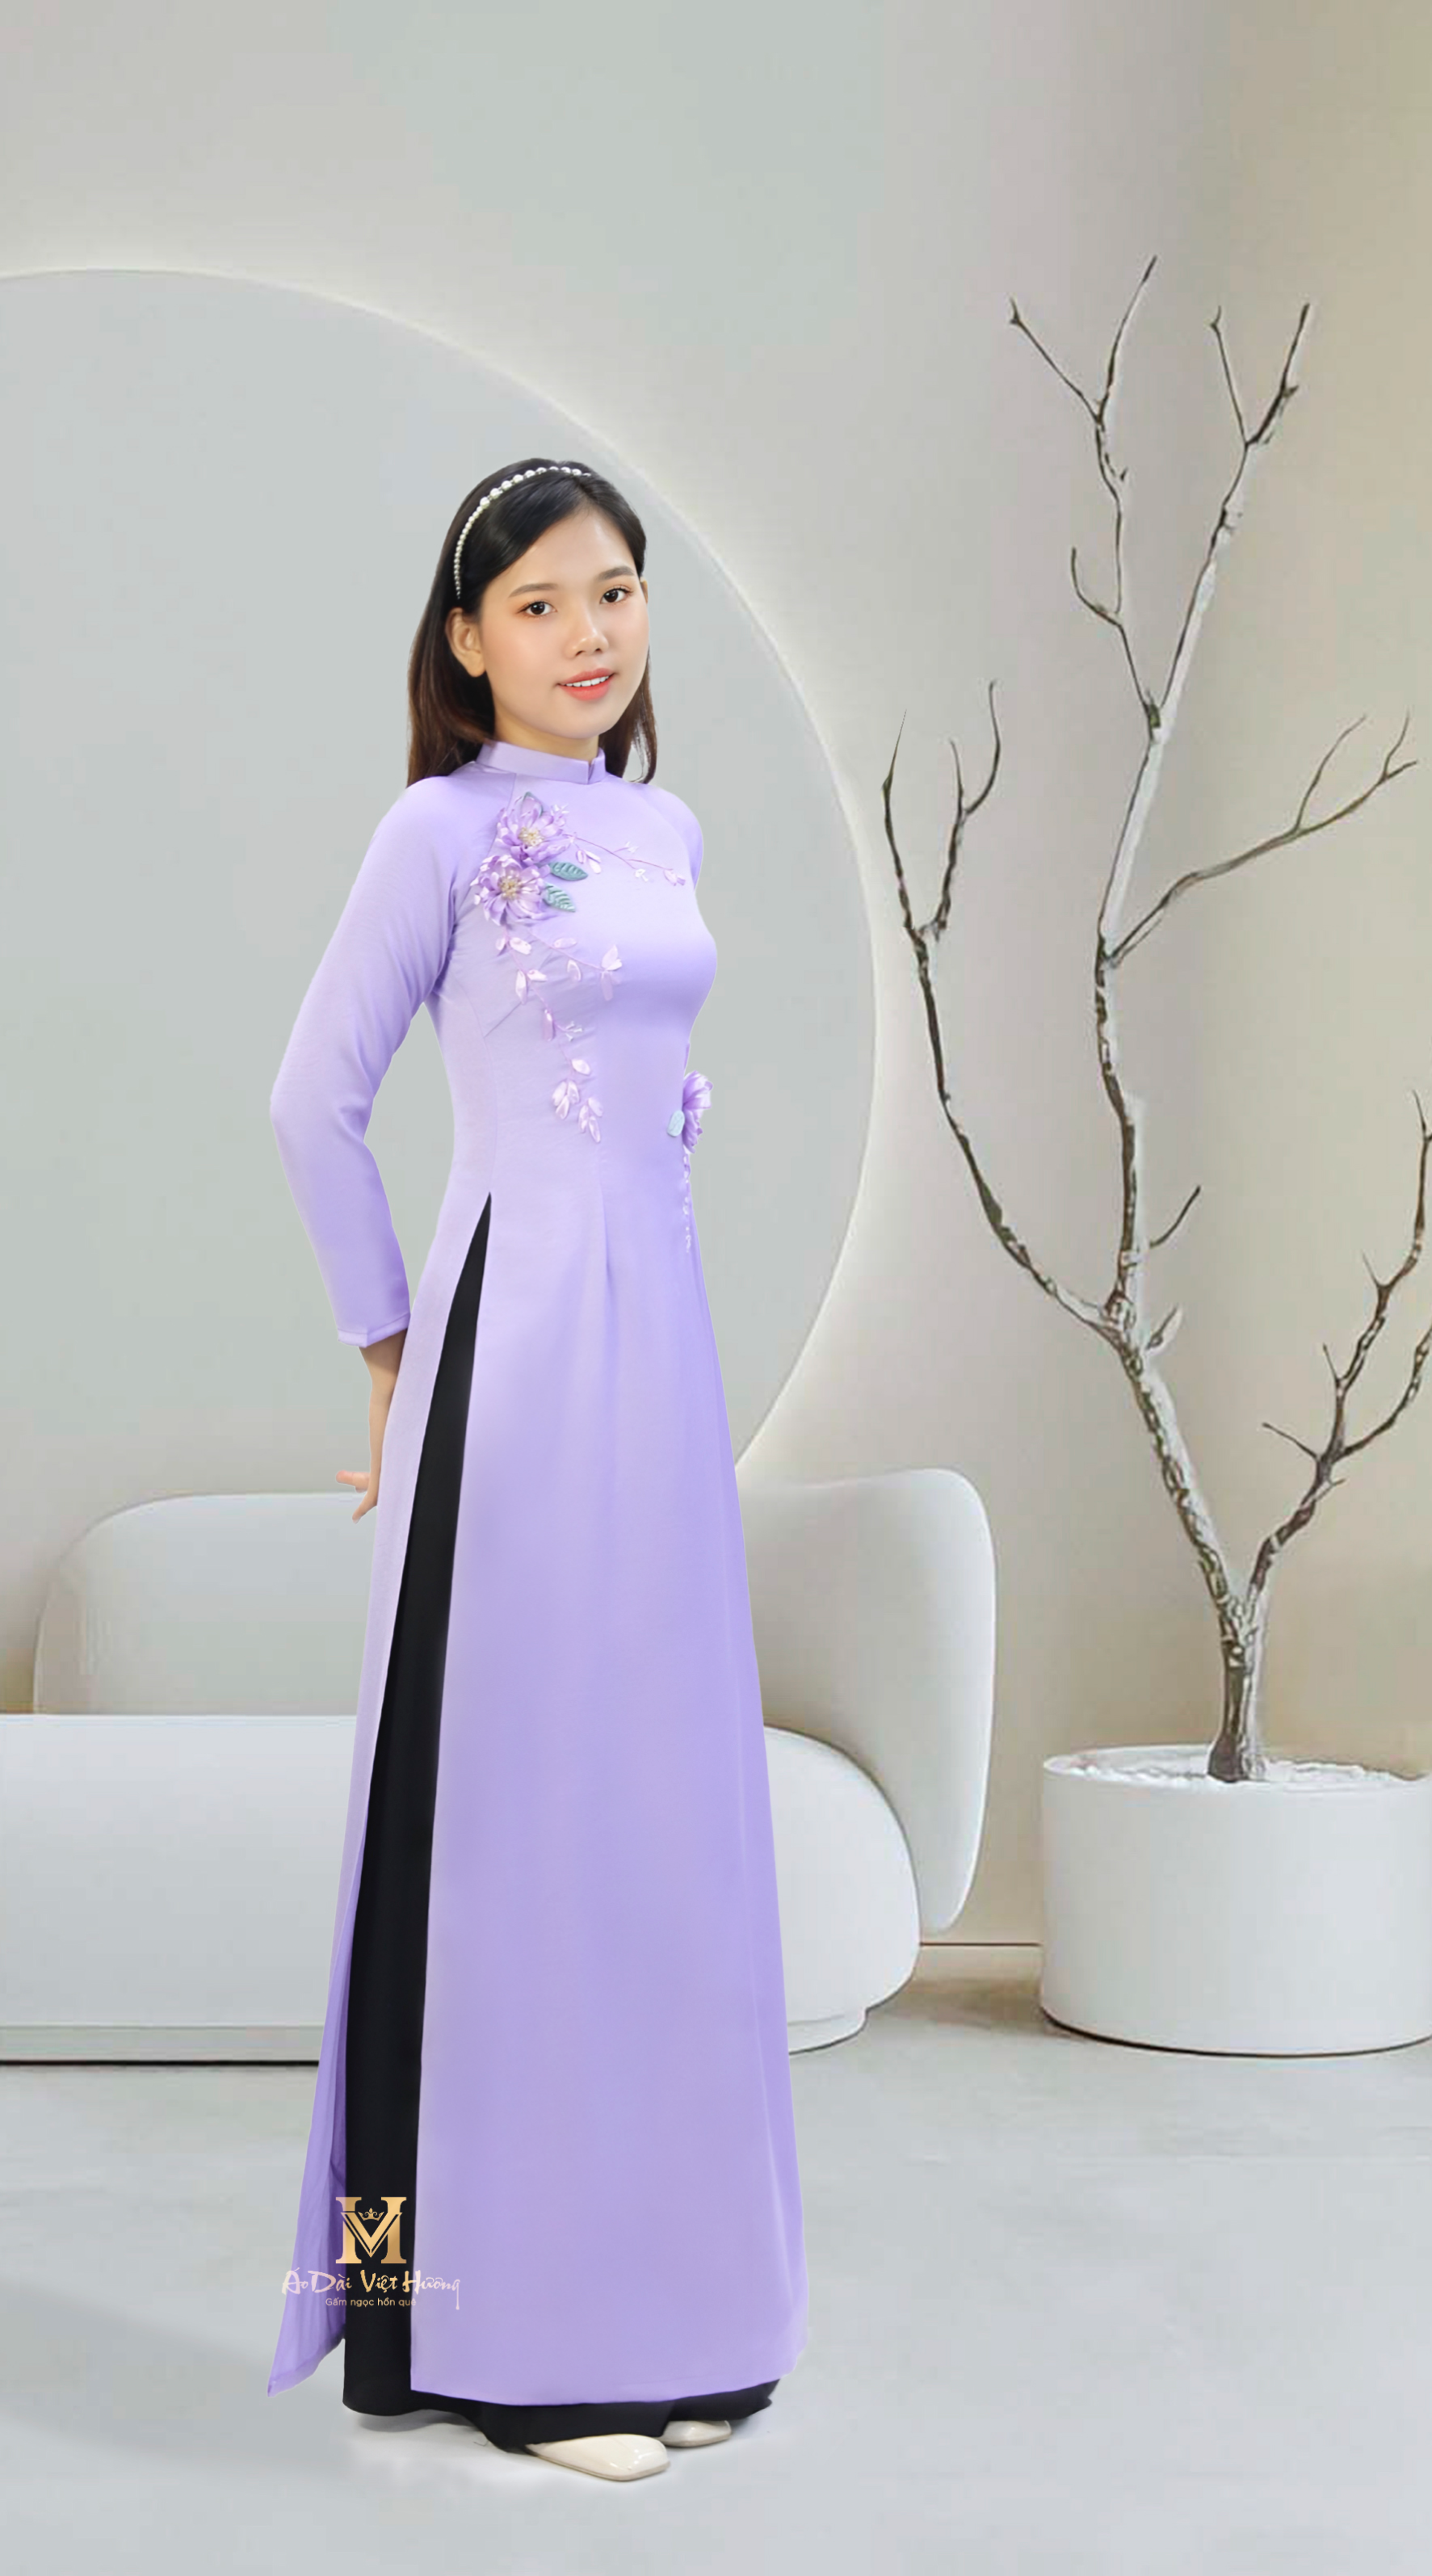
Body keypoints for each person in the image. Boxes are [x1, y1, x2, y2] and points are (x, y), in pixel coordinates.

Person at [265, 457, 808, 2483]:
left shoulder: (662, 828)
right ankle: (507, 2342)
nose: (592, 633)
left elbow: (640, 1085)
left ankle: (683, 2311)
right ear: (467, 638)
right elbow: (311, 1097)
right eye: (543, 602)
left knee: (662, 1822)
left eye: (619, 591)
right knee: (523, 1822)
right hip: (515, 1352)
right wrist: (388, 1350)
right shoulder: (436, 831)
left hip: (660, 1345)